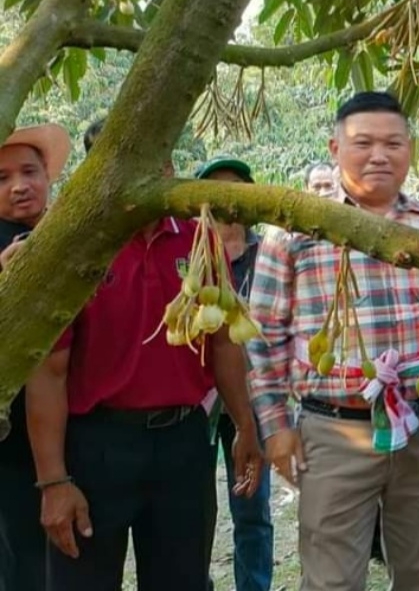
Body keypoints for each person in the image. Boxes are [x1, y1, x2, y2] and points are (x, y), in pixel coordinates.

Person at [247, 91, 419, 591]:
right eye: (363, 143)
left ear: (410, 150)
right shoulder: (294, 231)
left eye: (393, 143)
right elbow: (265, 337)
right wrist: (276, 427)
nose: (379, 155)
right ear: (334, 147)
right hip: (333, 431)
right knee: (330, 581)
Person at [26, 118, 262, 591]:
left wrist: (245, 426)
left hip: (184, 445)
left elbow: (223, 343)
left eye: (159, 158)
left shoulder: (200, 238)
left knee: (183, 582)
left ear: (171, 164)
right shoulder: (74, 245)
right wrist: (53, 482)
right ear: (100, 171)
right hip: (96, 449)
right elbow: (49, 370)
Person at [195, 157, 274, 591]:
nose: (227, 201)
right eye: (216, 190)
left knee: (252, 509)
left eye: (236, 190)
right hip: (199, 399)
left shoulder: (269, 255)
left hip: (255, 397)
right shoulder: (189, 253)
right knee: (194, 508)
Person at [0, 123, 71, 591]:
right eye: (2, 178)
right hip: (11, 446)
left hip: (77, 430)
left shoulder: (69, 233)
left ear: (48, 177)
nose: (19, 186)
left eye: (29, 172)